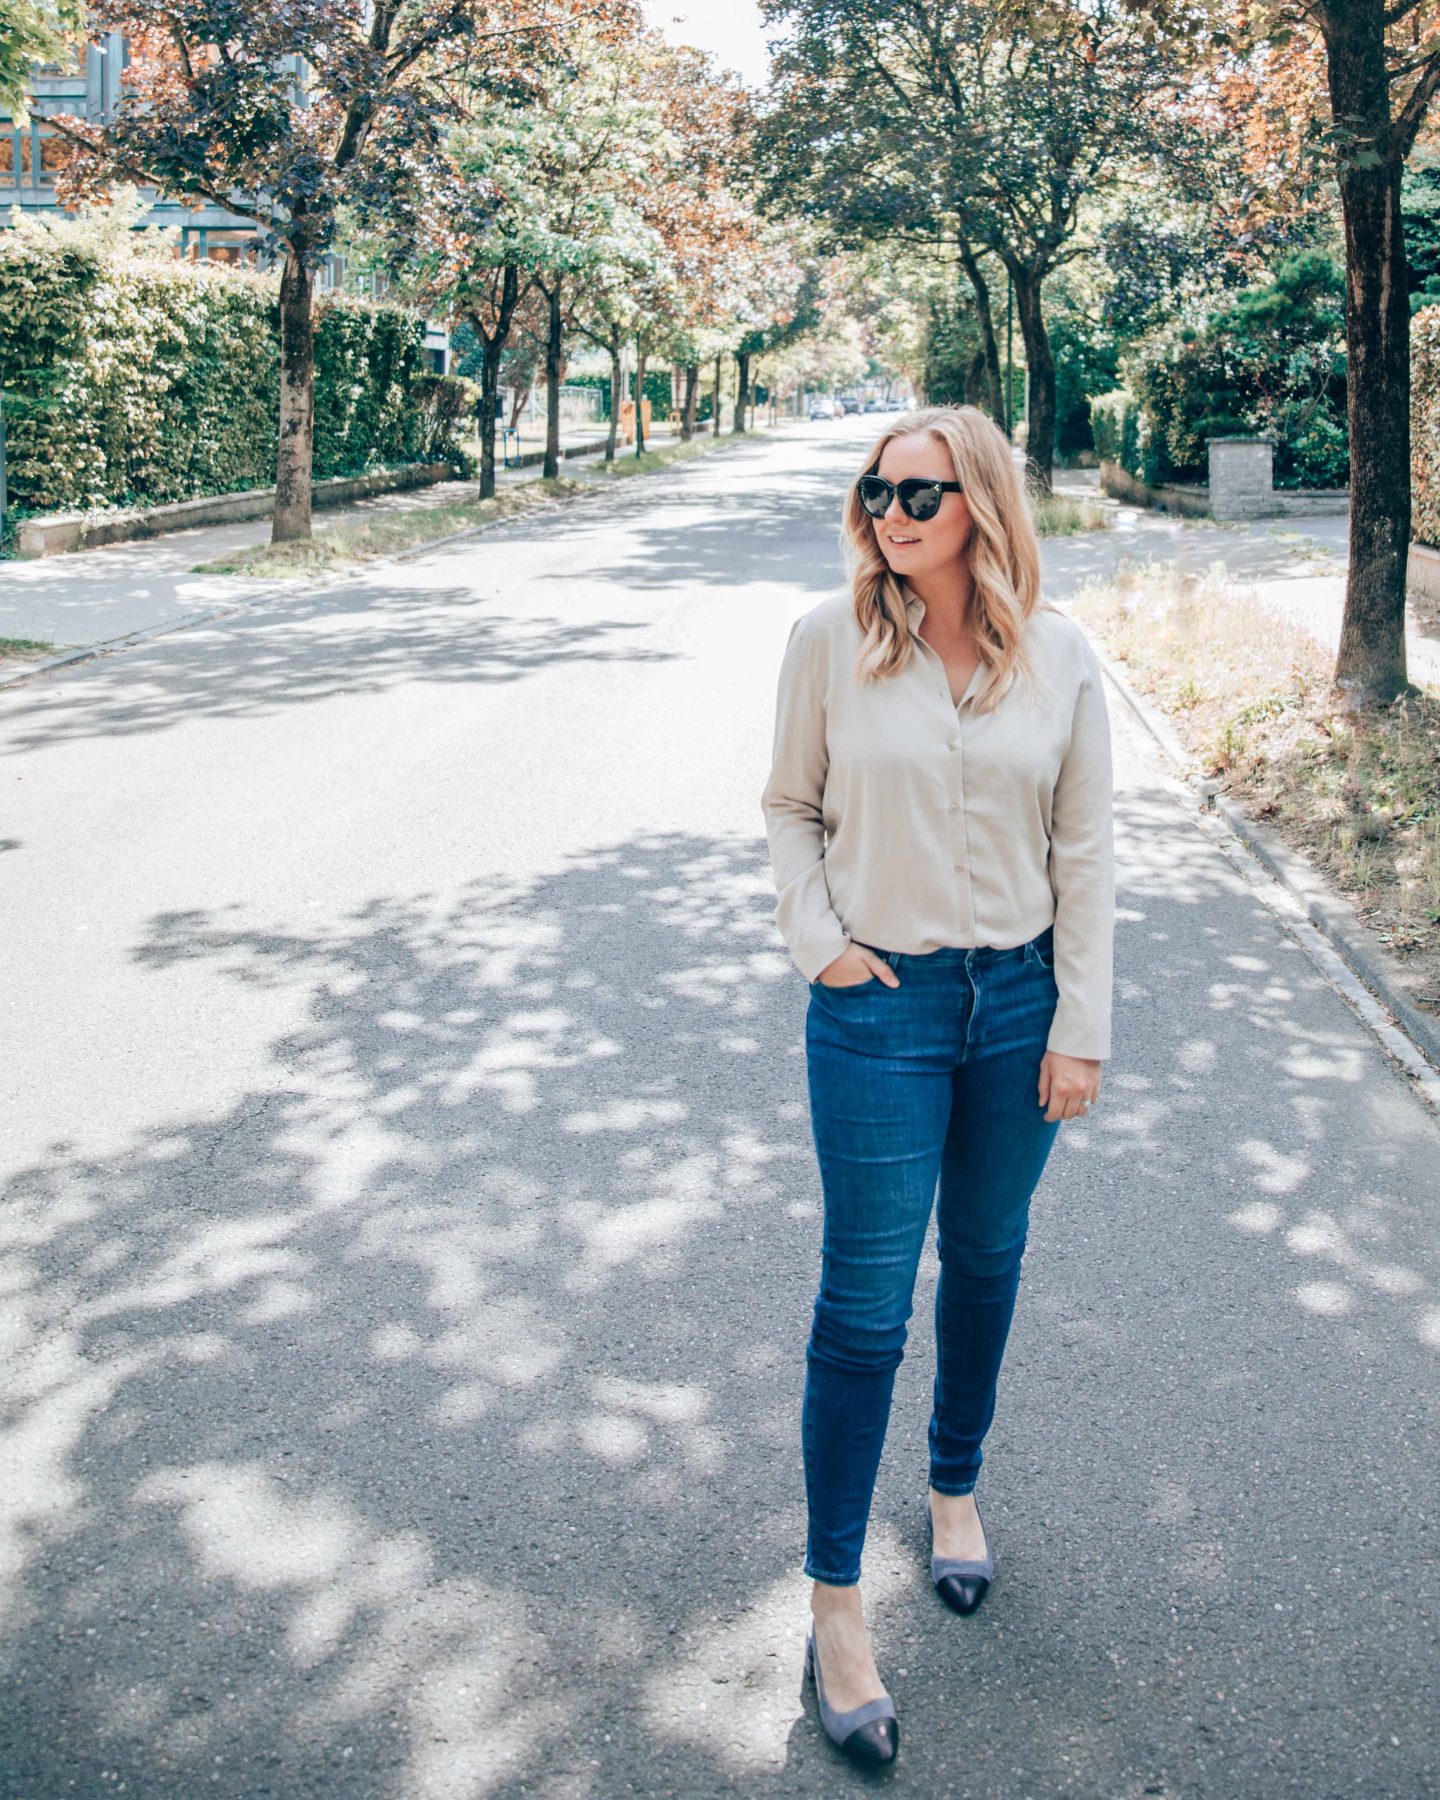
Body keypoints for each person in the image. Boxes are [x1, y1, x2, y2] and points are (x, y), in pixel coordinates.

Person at [760, 404, 1115, 1768]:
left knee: (987, 1257)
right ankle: (836, 1605)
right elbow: (790, 806)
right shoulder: (828, 641)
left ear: (981, 504)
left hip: (1019, 1006)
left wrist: (1080, 1026)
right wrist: (821, 946)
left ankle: (954, 1485)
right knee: (863, 1307)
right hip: (879, 1010)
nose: (892, 515)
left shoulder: (1061, 657)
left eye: (920, 493)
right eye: (877, 492)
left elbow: (1085, 854)